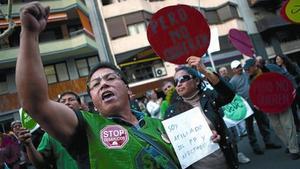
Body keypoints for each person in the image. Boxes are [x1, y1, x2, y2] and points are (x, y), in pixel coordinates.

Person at [16, 2, 181, 168]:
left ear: (128, 89)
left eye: (110, 78)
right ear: (92, 100)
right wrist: (29, 34)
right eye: (95, 84)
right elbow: (34, 103)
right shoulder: (86, 128)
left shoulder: (158, 125)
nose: (103, 84)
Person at [165, 56, 239, 169]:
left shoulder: (209, 98)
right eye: (176, 82)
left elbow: (229, 94)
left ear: (196, 80)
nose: (178, 84)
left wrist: (204, 70)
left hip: (223, 162)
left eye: (183, 79)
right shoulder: (171, 111)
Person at [244, 58, 300, 160]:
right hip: (268, 106)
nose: (247, 71)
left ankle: (294, 149)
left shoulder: (270, 68)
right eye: (246, 70)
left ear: (255, 66)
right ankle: (289, 145)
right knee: (277, 127)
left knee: (288, 125)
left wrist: (293, 88)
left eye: (248, 69)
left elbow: (286, 76)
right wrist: (256, 103)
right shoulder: (251, 79)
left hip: (282, 100)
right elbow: (255, 92)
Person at [16, 91, 83, 169]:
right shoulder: (51, 133)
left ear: (80, 105)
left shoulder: (93, 123)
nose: (67, 103)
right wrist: (28, 144)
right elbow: (40, 163)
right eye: (63, 101)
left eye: (71, 99)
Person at [230, 60, 281, 155]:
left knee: (263, 122)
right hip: (246, 108)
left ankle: (268, 142)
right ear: (233, 70)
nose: (239, 68)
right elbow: (233, 95)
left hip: (257, 103)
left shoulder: (247, 74)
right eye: (236, 68)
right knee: (250, 127)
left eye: (240, 66)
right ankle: (255, 146)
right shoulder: (232, 81)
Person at [275, 54, 300, 131]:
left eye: (278, 59)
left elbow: (299, 75)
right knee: (293, 110)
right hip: (288, 93)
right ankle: (297, 126)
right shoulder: (277, 69)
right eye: (276, 60)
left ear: (283, 59)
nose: (277, 61)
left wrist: (290, 79)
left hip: (298, 88)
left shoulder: (293, 65)